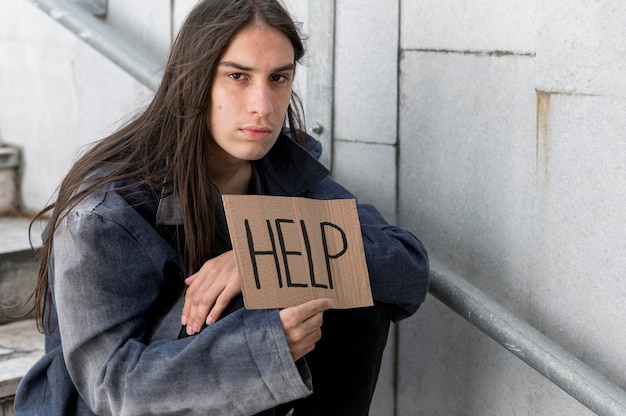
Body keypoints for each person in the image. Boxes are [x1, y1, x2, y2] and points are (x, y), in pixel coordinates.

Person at [14, 0, 429, 414]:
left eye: (278, 78)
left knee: (347, 285)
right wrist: (265, 346)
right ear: (194, 79)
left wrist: (259, 259)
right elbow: (113, 389)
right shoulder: (104, 212)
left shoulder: (283, 169)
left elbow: (407, 266)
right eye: (238, 76)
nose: (263, 106)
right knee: (267, 294)